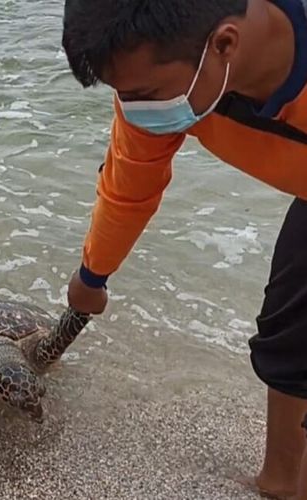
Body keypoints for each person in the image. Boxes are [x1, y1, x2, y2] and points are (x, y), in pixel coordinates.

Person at [61, 0, 307, 498]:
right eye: (122, 94)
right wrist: (92, 277)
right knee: (287, 331)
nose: (133, 109)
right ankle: (280, 480)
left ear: (224, 45)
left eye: (142, 93)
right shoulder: (169, 86)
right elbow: (129, 190)